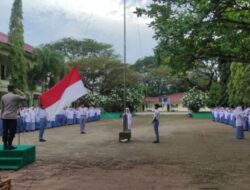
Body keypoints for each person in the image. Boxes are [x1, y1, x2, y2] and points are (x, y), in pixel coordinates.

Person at [1, 85, 27, 150]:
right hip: (12, 117)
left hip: (5, 116)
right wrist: (20, 92)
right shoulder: (15, 96)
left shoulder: (3, 97)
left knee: (5, 131)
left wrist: (1, 116)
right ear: (13, 89)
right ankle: (9, 144)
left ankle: (5, 145)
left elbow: (2, 108)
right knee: (12, 131)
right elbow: (25, 98)